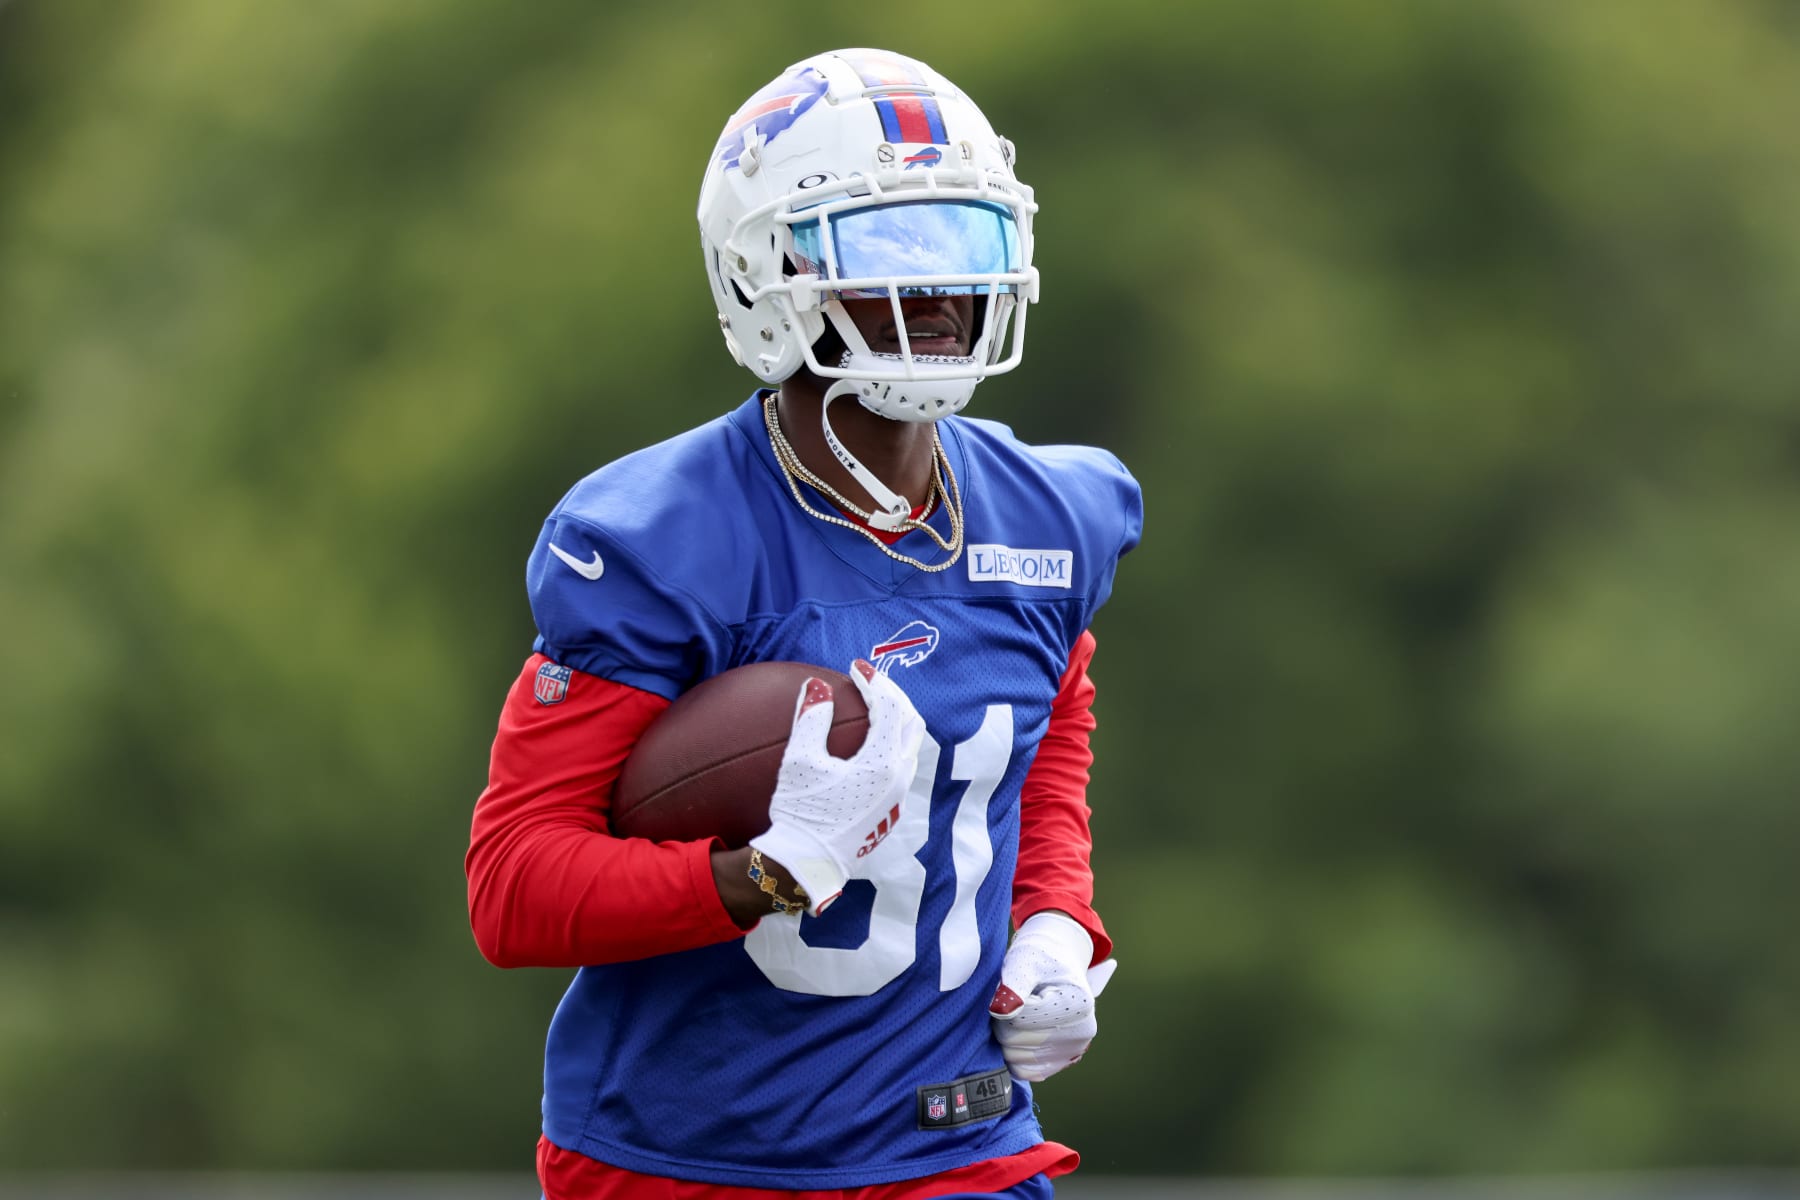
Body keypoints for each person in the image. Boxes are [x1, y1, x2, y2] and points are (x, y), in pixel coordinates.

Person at [466, 47, 1142, 1199]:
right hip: (695, 1159)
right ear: (770, 270)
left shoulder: (1055, 511)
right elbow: (516, 888)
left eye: (964, 243)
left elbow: (1046, 735)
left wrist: (1057, 928)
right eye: (890, 246)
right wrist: (762, 875)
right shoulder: (660, 538)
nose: (939, 291)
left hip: (958, 1150)